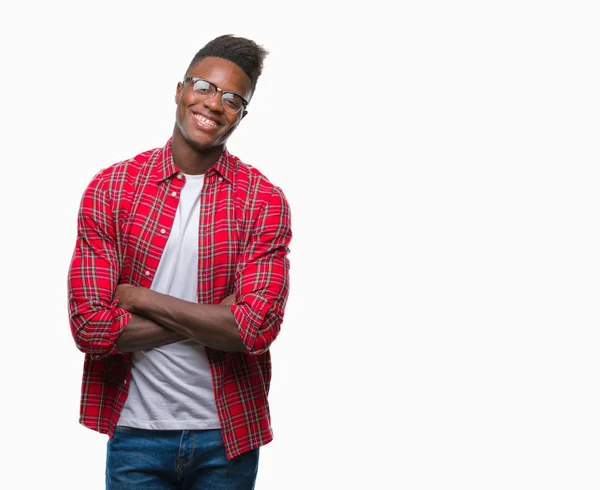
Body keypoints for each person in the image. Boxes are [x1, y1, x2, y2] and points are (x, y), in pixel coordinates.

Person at [67, 34, 292, 489]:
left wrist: (138, 298)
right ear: (180, 90)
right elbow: (91, 329)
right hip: (136, 435)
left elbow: (255, 329)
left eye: (233, 99)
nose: (214, 104)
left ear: (243, 114)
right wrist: (216, 317)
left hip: (226, 437)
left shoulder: (263, 201)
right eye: (204, 87)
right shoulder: (112, 189)